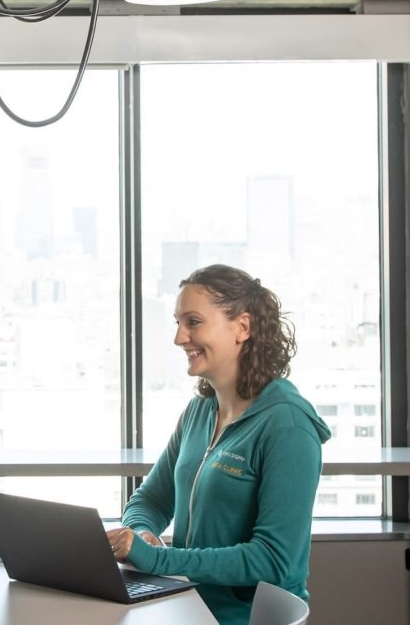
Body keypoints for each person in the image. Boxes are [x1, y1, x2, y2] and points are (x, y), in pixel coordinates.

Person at [106, 265, 331, 625]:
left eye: (193, 322)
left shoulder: (287, 426)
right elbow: (150, 500)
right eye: (178, 323)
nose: (180, 338)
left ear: (242, 327)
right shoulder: (200, 412)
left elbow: (274, 560)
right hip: (186, 606)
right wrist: (142, 531)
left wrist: (158, 560)